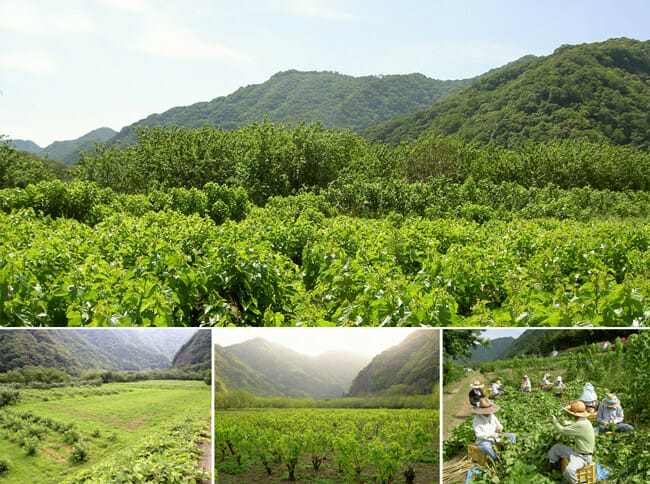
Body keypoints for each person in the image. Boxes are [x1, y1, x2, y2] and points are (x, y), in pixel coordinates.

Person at [543, 400, 595, 484]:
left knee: (569, 470)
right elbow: (577, 426)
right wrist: (569, 423)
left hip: (583, 457)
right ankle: (549, 468)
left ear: (574, 414)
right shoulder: (585, 422)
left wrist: (555, 421)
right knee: (556, 448)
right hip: (576, 451)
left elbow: (562, 430)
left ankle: (575, 483)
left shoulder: (581, 425)